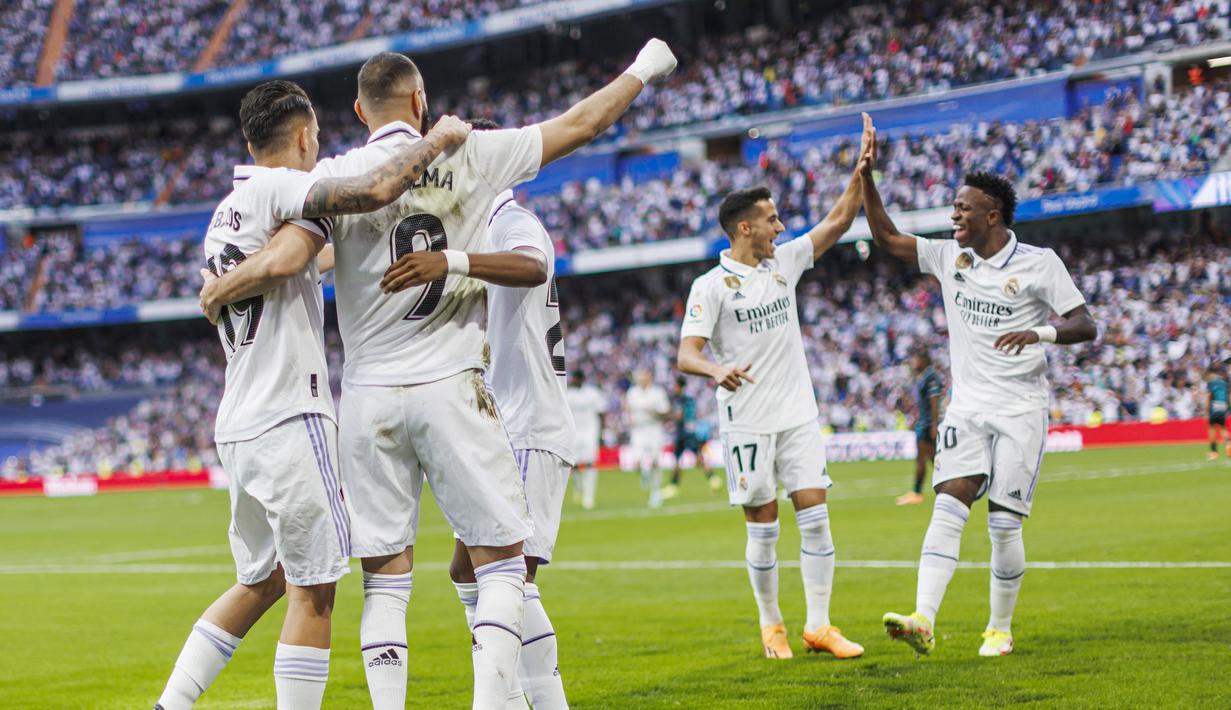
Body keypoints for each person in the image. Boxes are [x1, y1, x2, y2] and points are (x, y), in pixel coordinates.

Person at [216, 42, 677, 709]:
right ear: (420, 101)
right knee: (499, 565)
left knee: (384, 582)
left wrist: (221, 283)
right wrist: (644, 67)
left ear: (355, 110)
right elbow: (582, 125)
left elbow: (292, 259)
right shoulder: (472, 152)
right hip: (451, 383)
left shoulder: (338, 174)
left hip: (367, 396)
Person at [156, 80, 470, 710]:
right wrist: (440, 137)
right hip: (288, 417)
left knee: (264, 579)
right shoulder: (281, 187)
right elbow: (373, 192)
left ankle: (170, 704)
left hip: (240, 422)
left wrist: (220, 289)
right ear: (302, 137)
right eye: (318, 141)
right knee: (316, 588)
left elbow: (301, 258)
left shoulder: (228, 212)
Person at [860, 122, 1098, 657]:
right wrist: (867, 177)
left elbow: (1086, 324)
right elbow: (888, 238)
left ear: (993, 215)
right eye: (953, 208)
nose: (954, 216)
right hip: (967, 408)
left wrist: (1037, 332)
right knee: (949, 503)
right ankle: (923, 618)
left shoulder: (1040, 264)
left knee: (1004, 525)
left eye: (963, 209)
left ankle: (999, 628)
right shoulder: (952, 258)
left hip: (1020, 410)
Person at [675, 113, 876, 661]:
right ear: (746, 228)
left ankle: (820, 625)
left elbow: (837, 222)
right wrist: (717, 371)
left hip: (797, 415)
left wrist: (860, 174)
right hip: (747, 421)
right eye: (771, 219)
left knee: (815, 512)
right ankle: (772, 626)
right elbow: (686, 354)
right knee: (763, 524)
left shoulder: (784, 263)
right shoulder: (710, 287)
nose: (781, 226)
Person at [386, 137, 576, 707]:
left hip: (529, 424)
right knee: (469, 575)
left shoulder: (508, 217)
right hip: (510, 422)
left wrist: (451, 261)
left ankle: (527, 700)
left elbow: (533, 265)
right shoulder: (481, 225)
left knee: (507, 580)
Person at [897, 349, 945, 506]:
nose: (914, 362)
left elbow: (934, 403)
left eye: (917, 359)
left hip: (928, 424)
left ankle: (922, 492)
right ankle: (928, 491)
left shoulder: (931, 378)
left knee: (928, 459)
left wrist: (934, 425)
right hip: (924, 423)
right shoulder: (924, 377)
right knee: (928, 459)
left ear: (924, 359)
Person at [662, 376, 721, 499]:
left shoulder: (680, 400)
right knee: (697, 457)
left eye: (675, 386)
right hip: (690, 431)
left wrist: (666, 415)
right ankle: (713, 478)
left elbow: (678, 416)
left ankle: (673, 486)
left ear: (679, 386)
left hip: (683, 433)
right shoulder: (689, 399)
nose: (674, 388)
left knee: (678, 459)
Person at [625, 369, 671, 507]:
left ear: (649, 377)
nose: (642, 379)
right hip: (638, 429)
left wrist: (654, 411)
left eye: (644, 376)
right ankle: (645, 474)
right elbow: (627, 408)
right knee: (637, 461)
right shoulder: (632, 393)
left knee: (656, 462)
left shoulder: (658, 393)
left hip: (654, 429)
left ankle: (655, 494)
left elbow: (666, 413)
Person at [566, 370, 607, 509]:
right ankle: (578, 488)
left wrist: (602, 433)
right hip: (574, 433)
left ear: (581, 379)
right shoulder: (568, 394)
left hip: (590, 432)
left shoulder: (592, 393)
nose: (574, 381)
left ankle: (589, 497)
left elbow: (601, 412)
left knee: (590, 463)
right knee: (575, 465)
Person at [1207, 365, 1229, 460]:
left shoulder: (1211, 383)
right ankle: (1229, 444)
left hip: (1214, 406)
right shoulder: (1225, 384)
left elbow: (1209, 397)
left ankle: (1214, 452)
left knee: (1211, 428)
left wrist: (1206, 410)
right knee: (1223, 428)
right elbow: (1228, 398)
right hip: (1223, 407)